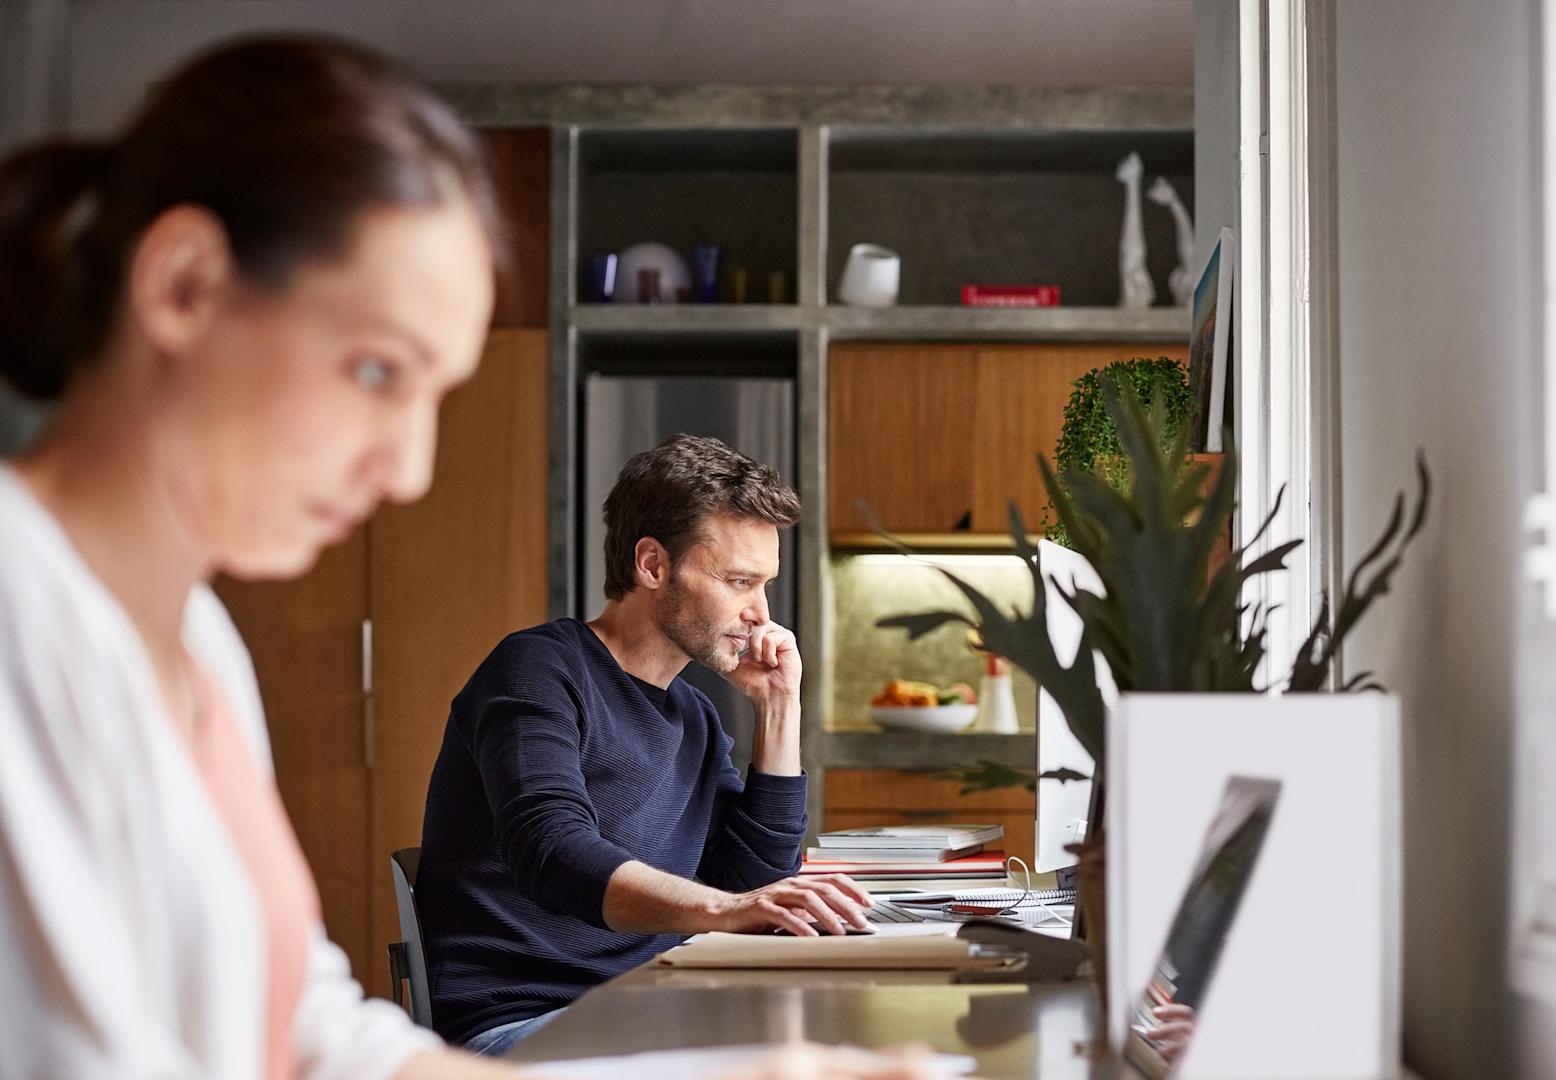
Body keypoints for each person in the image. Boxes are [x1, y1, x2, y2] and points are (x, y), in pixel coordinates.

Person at [0, 33, 928, 1080]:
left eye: (434, 395)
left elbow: (314, 1039)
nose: (408, 468)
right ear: (183, 286)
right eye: (375, 368)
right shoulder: (20, 616)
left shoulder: (194, 643)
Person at [416, 434, 874, 1054]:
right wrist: (724, 911)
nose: (761, 615)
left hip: (656, 1009)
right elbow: (551, 849)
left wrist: (778, 706)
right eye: (739, 581)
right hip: (521, 1026)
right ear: (653, 565)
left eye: (764, 585)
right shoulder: (538, 671)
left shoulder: (696, 717)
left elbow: (753, 888)